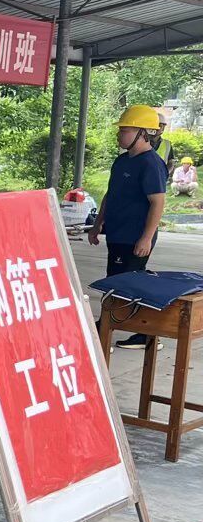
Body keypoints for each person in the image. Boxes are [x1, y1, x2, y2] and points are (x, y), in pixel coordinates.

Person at [88, 105, 167, 349]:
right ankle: (138, 331)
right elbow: (110, 195)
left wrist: (146, 237)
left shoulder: (151, 164)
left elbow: (157, 202)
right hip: (117, 233)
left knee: (122, 283)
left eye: (125, 130)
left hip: (134, 236)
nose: (119, 134)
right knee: (124, 281)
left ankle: (110, 329)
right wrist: (97, 224)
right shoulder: (122, 161)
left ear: (143, 133)